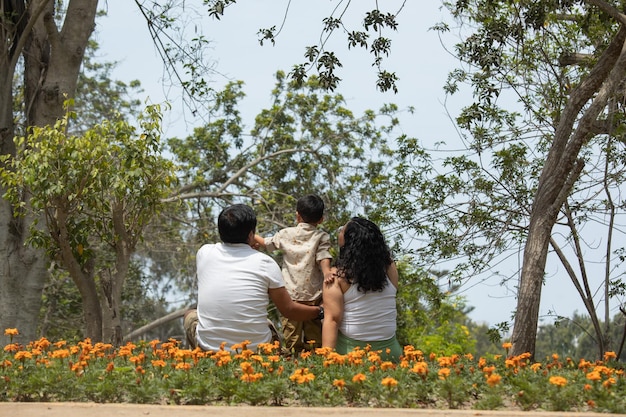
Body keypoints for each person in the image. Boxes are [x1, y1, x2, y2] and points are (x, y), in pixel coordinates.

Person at [183, 204, 323, 352]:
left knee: (190, 314)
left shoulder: (204, 253)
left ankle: (197, 357)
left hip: (211, 351)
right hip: (256, 352)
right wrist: (319, 311)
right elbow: (288, 310)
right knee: (268, 323)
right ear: (251, 234)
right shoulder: (265, 263)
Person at [254, 194, 333, 352]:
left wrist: (250, 235)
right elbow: (323, 257)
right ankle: (314, 369)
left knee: (292, 340)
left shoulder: (286, 234)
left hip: (291, 299)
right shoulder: (321, 237)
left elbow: (265, 243)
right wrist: (327, 273)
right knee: (315, 341)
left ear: (298, 216)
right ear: (321, 219)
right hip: (314, 299)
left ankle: (294, 368)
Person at [322, 216, 402, 362]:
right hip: (391, 354)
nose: (339, 232)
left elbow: (332, 320)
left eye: (341, 230)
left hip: (353, 354)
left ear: (348, 241)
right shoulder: (389, 267)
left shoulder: (337, 276)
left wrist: (326, 363)